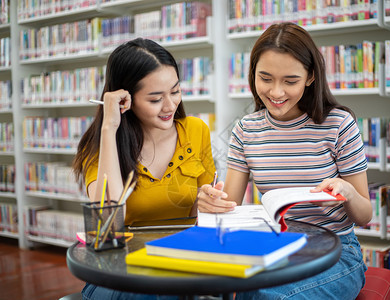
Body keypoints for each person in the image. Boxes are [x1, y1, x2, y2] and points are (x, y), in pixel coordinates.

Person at [198, 22, 372, 300]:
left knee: (268, 297)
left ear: (310, 77)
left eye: (290, 81)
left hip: (337, 251)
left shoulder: (338, 124)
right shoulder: (246, 129)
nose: (276, 92)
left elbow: (365, 216)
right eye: (265, 78)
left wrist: (348, 192)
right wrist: (211, 201)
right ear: (252, 73)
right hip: (275, 246)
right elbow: (229, 204)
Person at [73, 38, 215, 300]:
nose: (170, 106)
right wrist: (109, 127)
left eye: (175, 91)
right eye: (155, 99)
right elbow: (106, 226)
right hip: (120, 273)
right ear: (126, 98)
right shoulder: (100, 146)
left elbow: (207, 214)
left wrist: (212, 202)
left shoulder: (196, 131)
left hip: (183, 264)